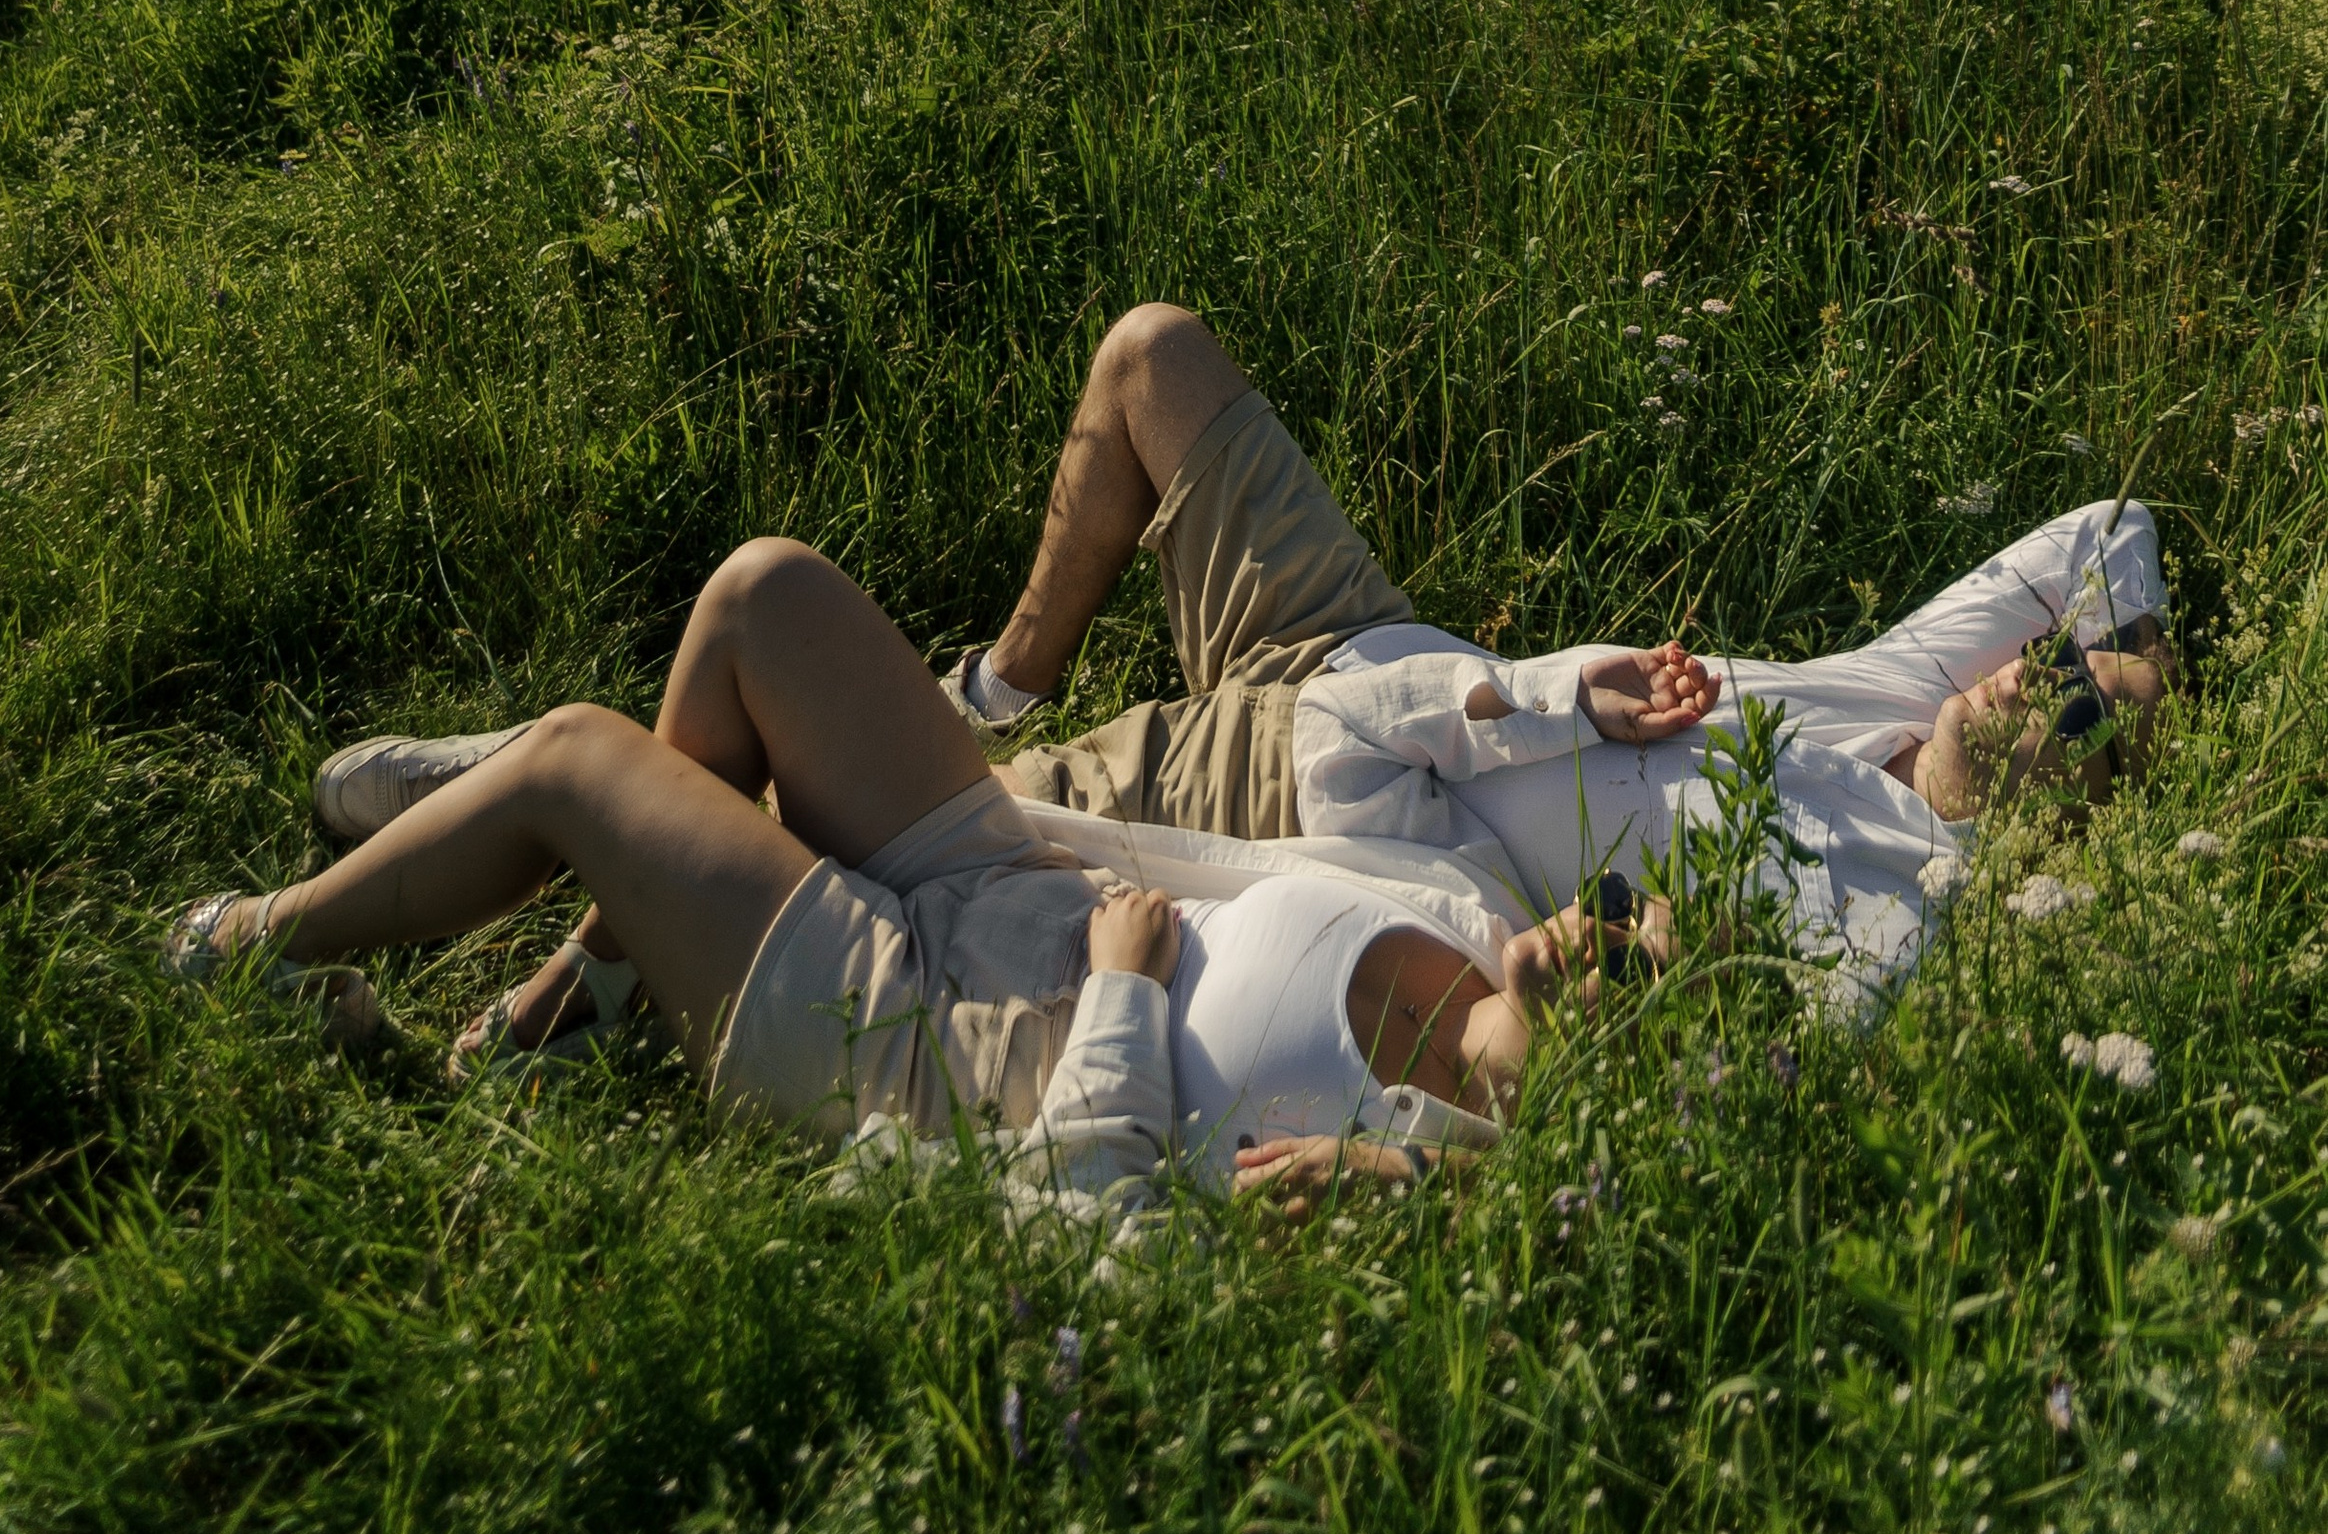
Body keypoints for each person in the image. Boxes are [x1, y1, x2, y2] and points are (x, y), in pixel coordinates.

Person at [304, 302, 2175, 1055]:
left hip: (1271, 807)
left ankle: (549, 870)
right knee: (1151, 356)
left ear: (2053, 794)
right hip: (1371, 656)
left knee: (837, 805)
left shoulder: (1899, 902)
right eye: (2056, 670)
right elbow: (2116, 527)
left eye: (2067, 709)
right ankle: (999, 689)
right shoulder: (1878, 696)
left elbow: (1696, 1032)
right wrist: (2139, 651)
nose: (2037, 680)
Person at [165, 529, 1657, 1211]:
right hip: (1014, 878)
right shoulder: (1472, 916)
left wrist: (1128, 1006)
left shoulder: (1394, 1182)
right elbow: (1350, 749)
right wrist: (1537, 695)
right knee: (764, 598)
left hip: (920, 1041)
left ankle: (252, 949)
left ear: (1627, 1094)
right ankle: (577, 1003)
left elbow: (1089, 1237)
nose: (1594, 934)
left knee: (571, 757)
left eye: (1630, 970)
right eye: (1620, 915)